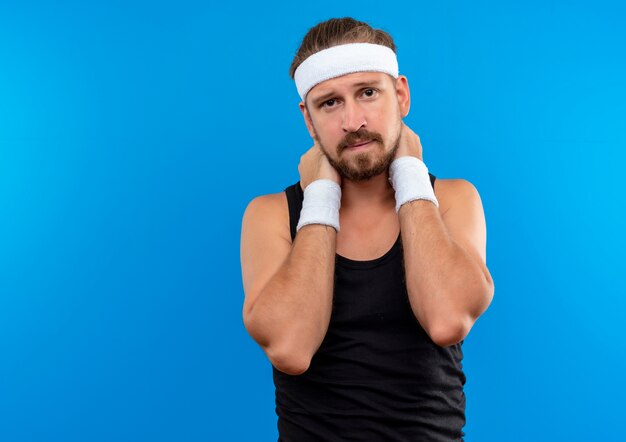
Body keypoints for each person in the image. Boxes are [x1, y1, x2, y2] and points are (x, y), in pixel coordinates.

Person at [240, 17, 495, 442]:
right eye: (330, 103)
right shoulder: (269, 215)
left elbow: (447, 320)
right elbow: (290, 348)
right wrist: (320, 196)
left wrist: (411, 177)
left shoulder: (453, 199)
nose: (353, 120)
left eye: (369, 93)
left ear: (401, 95)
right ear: (309, 119)